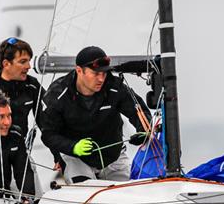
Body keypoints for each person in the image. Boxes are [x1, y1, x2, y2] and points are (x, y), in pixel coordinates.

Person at [41, 46, 151, 183]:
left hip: (113, 157)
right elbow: (48, 135)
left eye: (104, 73)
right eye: (96, 73)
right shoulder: (58, 94)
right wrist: (73, 147)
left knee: (126, 196)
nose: (101, 79)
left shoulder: (114, 87)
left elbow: (138, 110)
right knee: (85, 194)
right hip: (77, 159)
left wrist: (143, 131)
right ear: (79, 71)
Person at [0, 37, 61, 170]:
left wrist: (58, 156)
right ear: (6, 64)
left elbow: (46, 122)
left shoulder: (32, 86)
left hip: (19, 153)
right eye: (23, 62)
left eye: (29, 61)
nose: (29, 66)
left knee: (31, 190)